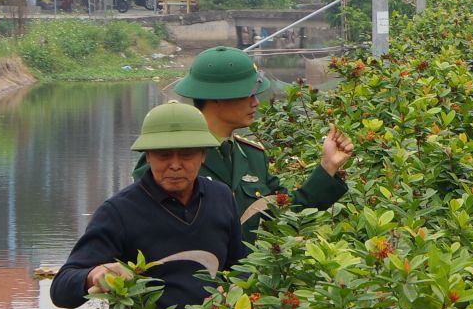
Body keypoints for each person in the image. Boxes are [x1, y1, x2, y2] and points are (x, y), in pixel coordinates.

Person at [51, 103, 245, 309]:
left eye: (187, 154)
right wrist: (94, 274)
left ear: (203, 155)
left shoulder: (221, 197)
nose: (175, 165)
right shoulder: (118, 212)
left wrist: (233, 291)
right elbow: (61, 289)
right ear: (148, 156)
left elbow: (239, 266)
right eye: (164, 155)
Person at [137, 45, 351, 231]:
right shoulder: (168, 156)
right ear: (217, 98)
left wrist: (328, 167)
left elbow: (288, 214)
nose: (255, 102)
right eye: (248, 94)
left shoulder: (252, 156)